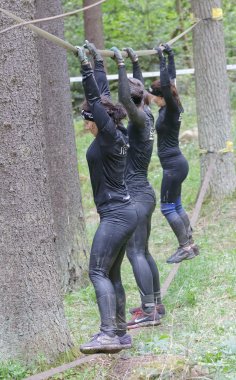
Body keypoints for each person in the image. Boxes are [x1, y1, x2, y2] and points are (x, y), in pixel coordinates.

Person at [77, 43, 138, 354]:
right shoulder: (119, 133)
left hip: (116, 214)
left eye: (86, 118)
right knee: (111, 272)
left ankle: (107, 335)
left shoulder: (109, 136)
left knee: (97, 271)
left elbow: (94, 101)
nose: (85, 121)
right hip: (122, 212)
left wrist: (85, 69)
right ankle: (121, 332)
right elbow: (101, 99)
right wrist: (99, 64)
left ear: (97, 120)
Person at [111, 46, 165, 329]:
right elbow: (135, 91)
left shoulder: (140, 118)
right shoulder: (147, 115)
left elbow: (124, 96)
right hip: (144, 192)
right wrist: (133, 63)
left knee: (135, 252)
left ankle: (148, 311)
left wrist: (120, 64)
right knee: (144, 250)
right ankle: (155, 303)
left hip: (135, 195)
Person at [148, 43, 199, 264]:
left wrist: (161, 58)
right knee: (177, 204)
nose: (152, 98)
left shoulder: (169, 106)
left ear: (162, 96)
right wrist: (169, 55)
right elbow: (171, 80)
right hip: (178, 163)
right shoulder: (173, 105)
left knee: (167, 207)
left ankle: (185, 247)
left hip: (173, 167)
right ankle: (192, 244)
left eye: (154, 95)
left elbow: (167, 84)